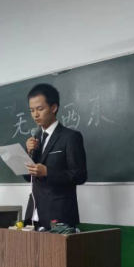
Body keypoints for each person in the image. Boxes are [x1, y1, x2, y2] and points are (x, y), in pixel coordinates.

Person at [24, 83, 87, 228]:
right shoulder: (35, 139)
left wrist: (48, 172)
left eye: (40, 109)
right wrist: (28, 154)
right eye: (32, 110)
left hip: (59, 214)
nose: (35, 114)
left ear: (53, 108)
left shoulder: (70, 137)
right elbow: (29, 178)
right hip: (34, 213)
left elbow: (80, 175)